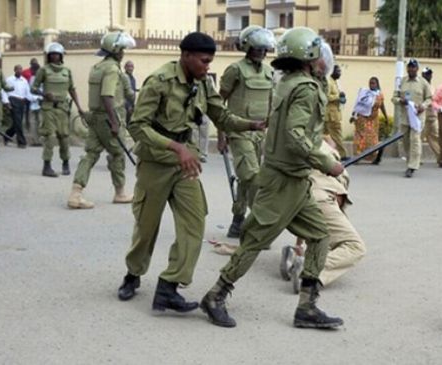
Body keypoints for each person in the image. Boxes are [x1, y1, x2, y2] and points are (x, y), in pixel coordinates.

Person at [200, 28, 345, 329]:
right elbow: (295, 135)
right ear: (307, 56)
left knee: (319, 236)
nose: (322, 59)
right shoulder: (304, 88)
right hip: (282, 182)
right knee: (253, 241)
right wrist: (326, 162)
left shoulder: (289, 80)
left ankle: (307, 307)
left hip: (295, 179)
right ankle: (215, 295)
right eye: (317, 54)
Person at [117, 32, 265, 314]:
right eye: (204, 61)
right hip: (157, 162)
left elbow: (221, 116)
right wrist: (175, 147)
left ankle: (168, 288)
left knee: (194, 225)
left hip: (185, 164)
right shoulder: (160, 81)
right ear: (185, 55)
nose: (207, 67)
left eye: (210, 62)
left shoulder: (203, 83)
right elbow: (137, 126)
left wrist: (251, 125)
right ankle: (132, 275)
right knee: (146, 228)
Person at [281, 137, 366, 291]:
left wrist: (298, 245)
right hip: (323, 198)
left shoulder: (300, 148)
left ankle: (295, 256)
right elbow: (337, 201)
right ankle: (308, 273)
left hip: (295, 199)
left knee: (321, 242)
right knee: (354, 246)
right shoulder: (336, 167)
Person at [67, 32, 137, 209]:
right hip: (108, 118)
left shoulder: (98, 67)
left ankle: (76, 193)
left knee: (90, 154)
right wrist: (114, 122)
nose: (123, 52)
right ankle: (120, 193)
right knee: (117, 154)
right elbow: (107, 96)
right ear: (115, 50)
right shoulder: (112, 69)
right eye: (122, 49)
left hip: (95, 117)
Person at [217, 25, 275, 238]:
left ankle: (238, 220)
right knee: (251, 176)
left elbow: (272, 104)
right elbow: (218, 103)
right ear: (247, 47)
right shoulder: (235, 70)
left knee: (245, 178)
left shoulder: (270, 72)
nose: (261, 51)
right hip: (238, 132)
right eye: (256, 47)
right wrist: (221, 134)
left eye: (264, 48)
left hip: (261, 133)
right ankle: (258, 225)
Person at [32, 42, 85, 177]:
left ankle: (65, 162)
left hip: (63, 108)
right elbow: (33, 88)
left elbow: (72, 89)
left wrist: (79, 107)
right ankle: (47, 166)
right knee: (50, 136)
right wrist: (44, 94)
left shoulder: (67, 71)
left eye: (57, 54)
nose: (55, 57)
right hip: (48, 108)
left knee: (64, 137)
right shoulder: (43, 70)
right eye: (52, 54)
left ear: (61, 56)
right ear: (49, 56)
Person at [391, 59, 432, 178]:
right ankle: (410, 162)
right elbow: (394, 98)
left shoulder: (423, 83)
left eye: (413, 67)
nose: (411, 69)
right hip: (405, 117)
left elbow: (429, 98)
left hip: (417, 117)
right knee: (406, 142)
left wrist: (423, 106)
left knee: (415, 140)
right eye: (409, 67)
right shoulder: (402, 81)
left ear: (417, 69)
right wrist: (400, 101)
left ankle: (412, 166)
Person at [350, 76, 388, 164]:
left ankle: (372, 157)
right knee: (360, 138)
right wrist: (353, 115)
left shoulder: (379, 95)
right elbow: (358, 105)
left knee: (372, 139)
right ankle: (357, 157)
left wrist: (386, 117)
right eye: (370, 83)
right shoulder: (365, 93)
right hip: (362, 119)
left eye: (373, 83)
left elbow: (382, 106)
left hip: (373, 120)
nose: (371, 85)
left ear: (377, 84)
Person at [5, 65, 32, 148]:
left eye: (21, 69)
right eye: (18, 69)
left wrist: (29, 99)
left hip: (22, 101)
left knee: (18, 122)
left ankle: (7, 135)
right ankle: (21, 141)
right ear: (14, 70)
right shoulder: (9, 80)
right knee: (18, 121)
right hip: (13, 100)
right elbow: (4, 90)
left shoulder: (24, 80)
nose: (19, 71)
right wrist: (6, 102)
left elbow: (27, 91)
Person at [324, 64, 347, 158]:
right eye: (338, 71)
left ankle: (327, 154)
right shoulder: (329, 82)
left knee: (323, 135)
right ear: (332, 71)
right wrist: (338, 97)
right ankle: (343, 155)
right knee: (337, 135)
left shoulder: (334, 82)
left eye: (340, 71)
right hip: (331, 115)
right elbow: (326, 96)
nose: (339, 73)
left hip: (333, 114)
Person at [421, 67, 442, 164]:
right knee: (419, 138)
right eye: (426, 74)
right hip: (423, 116)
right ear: (423, 75)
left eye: (430, 74)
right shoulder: (420, 86)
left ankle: (441, 156)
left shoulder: (432, 86)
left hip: (432, 115)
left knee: (435, 137)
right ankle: (415, 158)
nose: (429, 76)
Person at [123, 60, 137, 125]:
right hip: (124, 106)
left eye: (131, 66)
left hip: (131, 106)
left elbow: (133, 92)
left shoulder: (133, 79)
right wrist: (128, 106)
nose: (130, 68)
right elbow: (123, 93)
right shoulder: (123, 78)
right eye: (128, 66)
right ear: (125, 67)